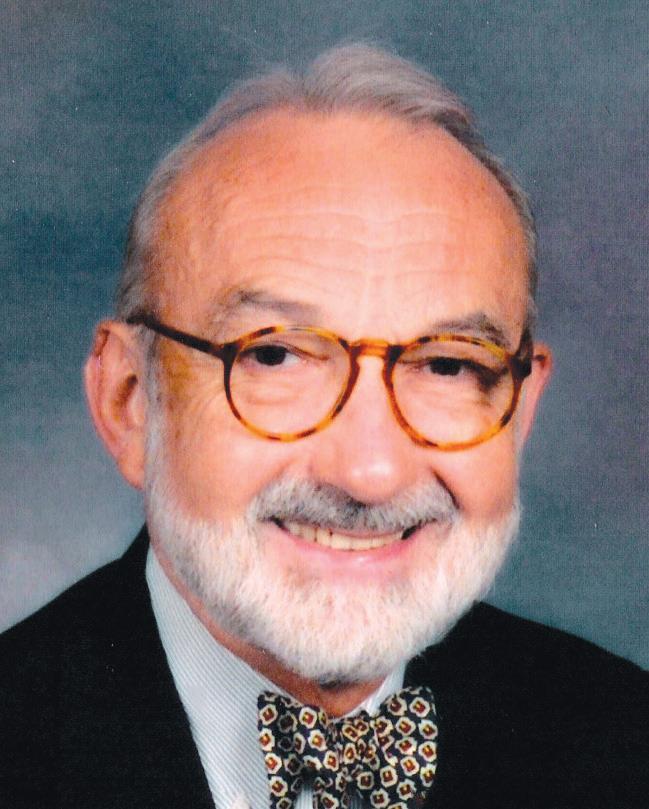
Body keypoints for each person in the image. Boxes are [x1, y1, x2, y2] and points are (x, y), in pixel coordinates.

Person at [1, 44, 646, 809]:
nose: (368, 472)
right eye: (274, 356)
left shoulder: (621, 741)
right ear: (129, 401)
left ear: (519, 412)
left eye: (446, 365)